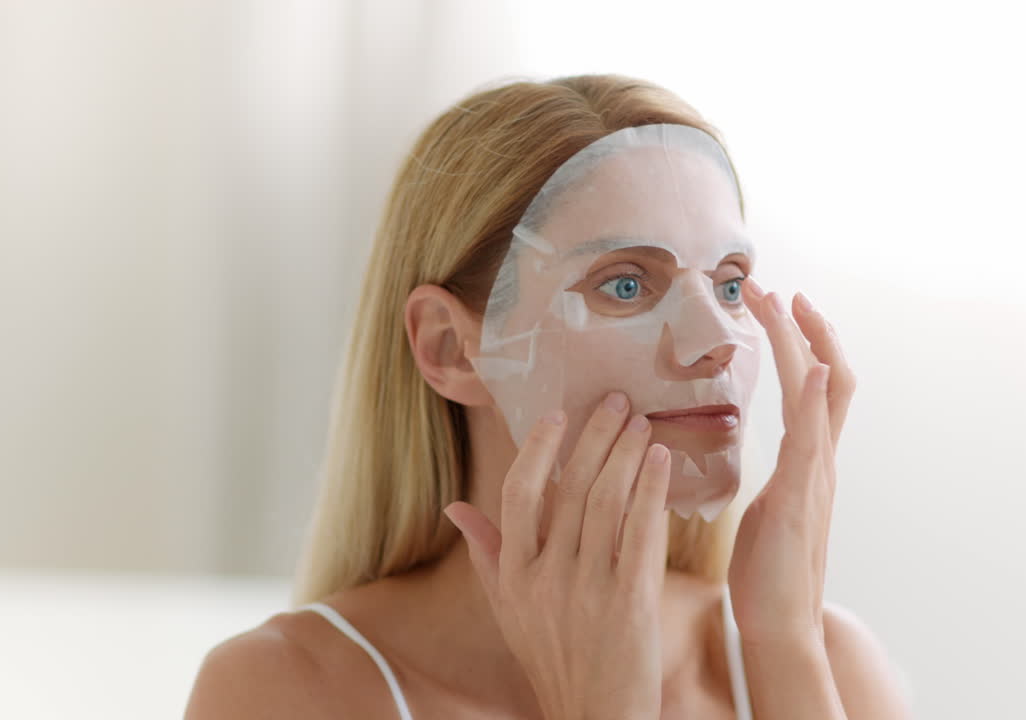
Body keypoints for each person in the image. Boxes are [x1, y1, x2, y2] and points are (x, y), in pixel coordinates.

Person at [185, 74, 912, 719]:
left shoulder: (829, 663)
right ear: (447, 346)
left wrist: (785, 651)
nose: (715, 338)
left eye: (728, 283)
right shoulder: (286, 691)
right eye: (625, 284)